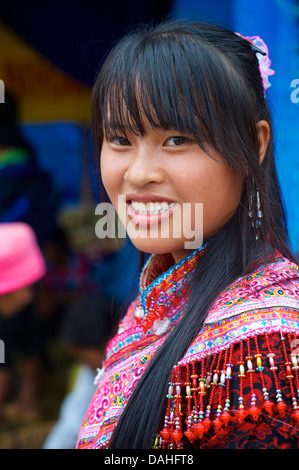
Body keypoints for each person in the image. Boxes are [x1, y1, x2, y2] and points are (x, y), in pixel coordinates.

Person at [76, 21, 299, 449]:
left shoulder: (265, 346)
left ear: (254, 145)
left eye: (177, 139)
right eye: (120, 138)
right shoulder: (150, 310)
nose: (139, 174)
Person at [42, 293, 117, 449]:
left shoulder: (117, 375)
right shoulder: (88, 373)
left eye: (83, 357)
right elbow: (70, 425)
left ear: (108, 342)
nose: (82, 363)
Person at [0, 222, 46, 423]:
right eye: (23, 288)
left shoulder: (21, 308)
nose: (28, 297)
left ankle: (26, 405)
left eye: (31, 288)